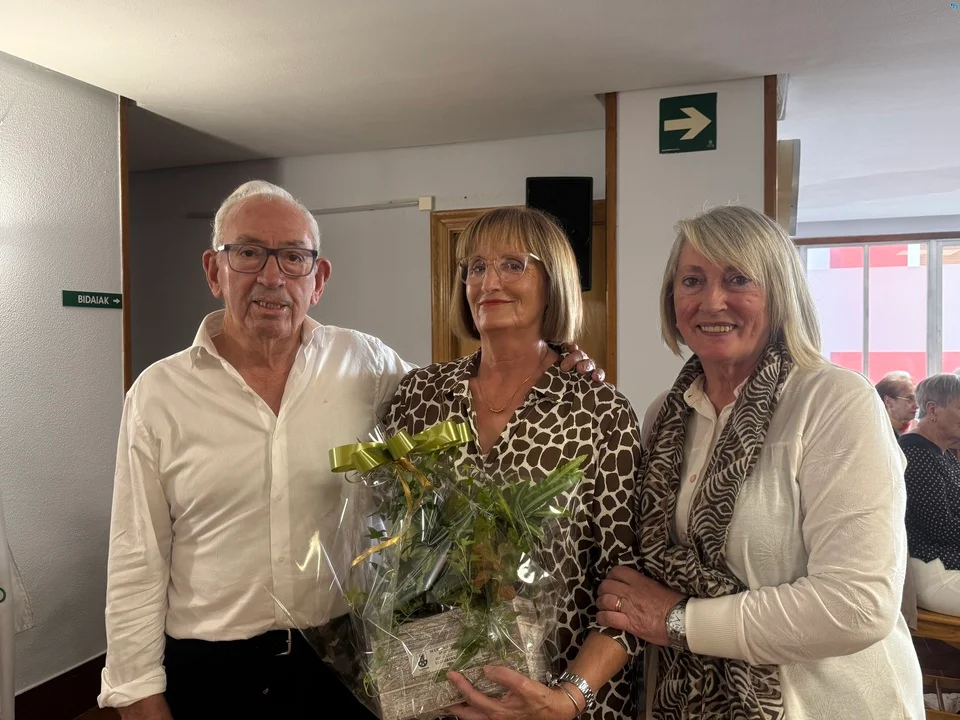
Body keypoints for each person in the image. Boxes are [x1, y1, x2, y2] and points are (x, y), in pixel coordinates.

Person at [98, 182, 600, 720]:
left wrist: (557, 359)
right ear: (214, 270)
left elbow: (464, 393)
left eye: (293, 257)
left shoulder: (365, 363)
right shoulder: (158, 394)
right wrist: (137, 694)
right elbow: (136, 557)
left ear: (318, 279)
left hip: (342, 667)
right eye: (248, 253)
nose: (272, 276)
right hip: (212, 672)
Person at [597, 206, 924, 719]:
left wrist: (680, 622)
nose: (712, 301)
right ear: (671, 299)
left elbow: (858, 604)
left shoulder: (835, 401)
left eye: (738, 279)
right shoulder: (664, 415)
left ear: (780, 293)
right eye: (692, 280)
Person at [382, 207, 643, 720]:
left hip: (553, 699)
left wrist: (568, 697)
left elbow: (628, 582)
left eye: (512, 264)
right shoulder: (419, 396)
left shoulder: (597, 410)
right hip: (437, 695)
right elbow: (389, 549)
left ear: (553, 282)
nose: (489, 282)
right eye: (476, 267)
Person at [902, 373, 960, 615]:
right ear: (933, 409)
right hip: (934, 569)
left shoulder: (943, 453)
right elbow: (940, 527)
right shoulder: (916, 452)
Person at [876, 371, 920, 436]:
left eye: (916, 399)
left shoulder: (918, 427)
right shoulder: (876, 430)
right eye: (909, 399)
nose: (917, 406)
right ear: (889, 402)